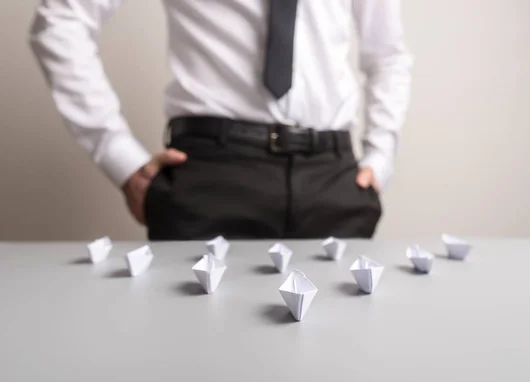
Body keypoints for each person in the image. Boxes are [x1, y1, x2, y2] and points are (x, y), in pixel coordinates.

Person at [30, 0, 413, 240]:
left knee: (339, 359)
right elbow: (60, 21)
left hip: (332, 178)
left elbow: (388, 55)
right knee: (197, 363)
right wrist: (117, 155)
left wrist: (381, 157)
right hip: (213, 177)